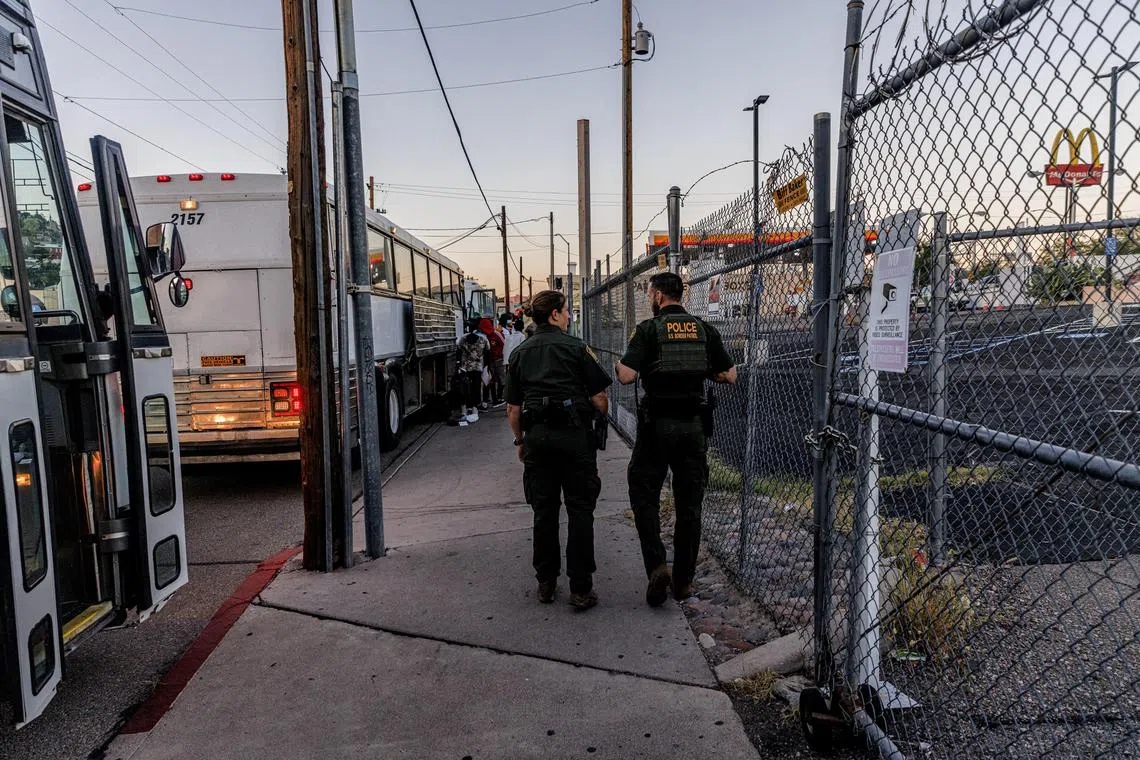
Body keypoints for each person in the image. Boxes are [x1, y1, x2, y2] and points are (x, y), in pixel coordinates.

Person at [615, 271, 737, 607]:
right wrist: (705, 371)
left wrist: (617, 364)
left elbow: (626, 376)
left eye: (648, 293)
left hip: (656, 428)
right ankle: (683, 581)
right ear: (680, 295)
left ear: (657, 295)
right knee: (689, 505)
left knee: (644, 495)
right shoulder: (703, 329)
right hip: (693, 428)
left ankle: (656, 566)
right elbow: (730, 374)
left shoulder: (649, 330)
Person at [507, 290, 611, 610]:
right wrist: (597, 416)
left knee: (544, 512)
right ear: (554, 314)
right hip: (575, 440)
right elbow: (599, 398)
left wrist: (522, 441)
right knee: (580, 511)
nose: (569, 317)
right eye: (566, 312)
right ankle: (580, 589)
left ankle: (546, 583)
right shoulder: (577, 348)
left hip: (538, 441)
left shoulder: (520, 353)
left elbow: (513, 409)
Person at [456, 319, 490, 423]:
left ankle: (464, 410)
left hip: (465, 368)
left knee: (464, 389)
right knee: (476, 387)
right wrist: (487, 366)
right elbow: (488, 352)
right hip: (478, 368)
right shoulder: (483, 339)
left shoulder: (463, 339)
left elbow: (458, 351)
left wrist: (457, 365)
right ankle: (475, 408)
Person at [479, 317, 506, 406]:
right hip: (489, 361)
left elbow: (504, 345)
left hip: (499, 360)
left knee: (502, 380)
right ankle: (494, 399)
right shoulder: (483, 336)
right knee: (491, 380)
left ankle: (500, 397)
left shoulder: (497, 334)